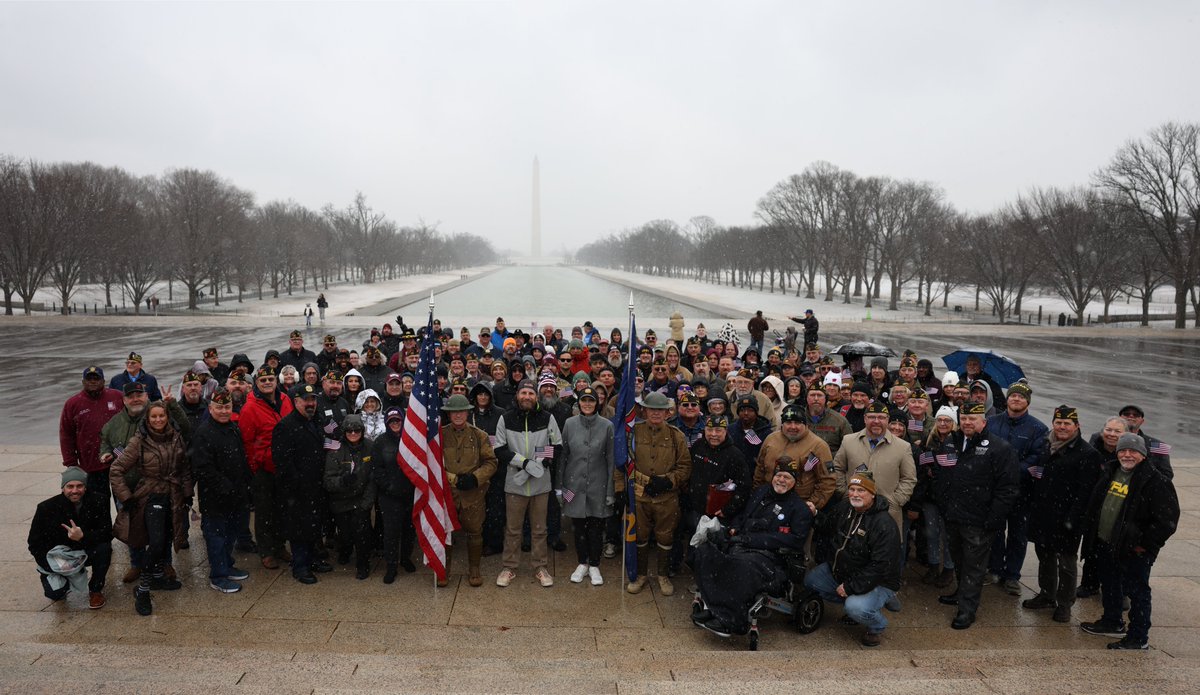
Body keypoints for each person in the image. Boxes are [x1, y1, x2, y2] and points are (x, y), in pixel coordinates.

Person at [692, 456, 812, 637]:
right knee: (706, 551)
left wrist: (753, 540)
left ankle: (731, 621)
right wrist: (733, 529)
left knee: (738, 566)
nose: (781, 480)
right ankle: (715, 607)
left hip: (770, 558)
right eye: (778, 476)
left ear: (795, 481)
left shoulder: (799, 509)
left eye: (787, 477)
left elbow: (794, 540)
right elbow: (743, 515)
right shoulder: (761, 492)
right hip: (741, 545)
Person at [1079, 434, 1180, 650]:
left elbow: (1167, 521)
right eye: (1123, 450)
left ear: (1143, 455)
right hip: (1107, 543)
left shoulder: (1155, 480)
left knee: (1137, 592)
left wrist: (1143, 544)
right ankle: (1112, 621)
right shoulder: (1110, 471)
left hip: (1135, 550)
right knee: (1110, 584)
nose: (1127, 455)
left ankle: (1138, 636)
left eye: (1133, 451)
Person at [933, 402, 1019, 630]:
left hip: (979, 521)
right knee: (959, 560)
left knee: (974, 566)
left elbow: (1007, 488)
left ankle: (967, 610)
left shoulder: (999, 448)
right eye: (964, 418)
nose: (968, 422)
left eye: (973, 418)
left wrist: (993, 519)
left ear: (984, 421)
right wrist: (944, 505)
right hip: (953, 515)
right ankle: (962, 594)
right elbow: (942, 475)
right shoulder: (951, 441)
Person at [110, 401, 191, 616]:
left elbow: (184, 468)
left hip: (172, 495)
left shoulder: (176, 436)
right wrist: (125, 496)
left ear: (167, 417)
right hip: (150, 494)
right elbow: (116, 469)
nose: (158, 420)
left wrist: (187, 493)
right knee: (155, 543)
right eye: (153, 417)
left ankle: (157, 578)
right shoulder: (139, 440)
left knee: (166, 538)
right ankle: (143, 589)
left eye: (161, 416)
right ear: (147, 418)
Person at [1023, 405, 1102, 623]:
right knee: (1044, 557)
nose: (1062, 427)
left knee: (1066, 563)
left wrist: (1073, 519)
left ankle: (1065, 603)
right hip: (1043, 514)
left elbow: (1086, 492)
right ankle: (1047, 594)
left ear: (1077, 426)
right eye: (1058, 423)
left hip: (1068, 518)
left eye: (1067, 424)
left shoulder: (1088, 453)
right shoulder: (1047, 446)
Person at [805, 473, 902, 647]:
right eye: (852, 489)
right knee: (811, 581)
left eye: (861, 490)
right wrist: (815, 513)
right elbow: (827, 526)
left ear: (872, 494)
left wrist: (851, 587)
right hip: (844, 571)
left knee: (856, 608)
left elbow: (880, 566)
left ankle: (876, 625)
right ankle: (859, 601)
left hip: (879, 580)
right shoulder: (844, 508)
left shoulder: (884, 524)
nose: (855, 494)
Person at [614, 392, 691, 596]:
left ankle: (662, 575)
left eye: (660, 410)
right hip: (639, 495)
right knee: (640, 535)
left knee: (665, 537)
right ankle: (640, 575)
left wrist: (668, 481)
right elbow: (620, 463)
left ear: (667, 413)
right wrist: (620, 489)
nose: (656, 413)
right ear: (644, 410)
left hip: (667, 497)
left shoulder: (676, 436)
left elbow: (685, 466)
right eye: (652, 409)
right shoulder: (633, 432)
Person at [493, 379, 563, 588]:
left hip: (541, 482)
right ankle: (509, 567)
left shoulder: (547, 418)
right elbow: (500, 449)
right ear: (517, 396)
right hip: (515, 482)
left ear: (536, 397)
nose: (527, 397)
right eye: (523, 393)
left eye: (531, 394)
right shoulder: (505, 419)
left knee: (540, 529)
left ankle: (540, 566)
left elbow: (557, 445)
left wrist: (538, 461)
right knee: (513, 529)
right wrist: (523, 463)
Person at [985, 381, 1049, 597]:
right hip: (995, 489)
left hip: (1023, 491)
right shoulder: (991, 422)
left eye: (1021, 397)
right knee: (994, 530)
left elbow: (1036, 458)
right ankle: (994, 568)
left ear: (1027, 401)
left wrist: (1011, 471)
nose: (1016, 399)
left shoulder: (1038, 428)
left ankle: (1012, 575)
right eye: (1013, 396)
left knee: (1018, 535)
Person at [188, 388, 252, 593]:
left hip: (236, 495)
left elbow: (241, 458)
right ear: (211, 408)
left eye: (227, 407)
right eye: (219, 407)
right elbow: (202, 468)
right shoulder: (203, 433)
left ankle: (227, 564)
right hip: (215, 497)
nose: (224, 411)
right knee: (216, 536)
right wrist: (225, 486)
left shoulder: (233, 428)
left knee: (231, 533)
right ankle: (218, 575)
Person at [28, 467, 112, 609]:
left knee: (104, 548)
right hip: (59, 556)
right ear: (63, 488)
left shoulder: (99, 500)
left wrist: (82, 536)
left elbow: (107, 533)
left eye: (79, 486)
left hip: (85, 549)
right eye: (70, 486)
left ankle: (95, 589)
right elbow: (34, 543)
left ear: (85, 487)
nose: (75, 490)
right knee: (56, 594)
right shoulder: (46, 508)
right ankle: (62, 582)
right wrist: (54, 565)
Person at [272, 383, 332, 584]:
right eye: (306, 400)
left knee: (314, 527)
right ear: (295, 401)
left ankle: (313, 560)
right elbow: (283, 462)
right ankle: (300, 567)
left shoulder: (316, 420)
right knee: (299, 530)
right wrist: (297, 485)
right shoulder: (285, 426)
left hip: (316, 486)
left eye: (313, 399)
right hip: (297, 490)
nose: (311, 403)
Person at [238, 366, 294, 570]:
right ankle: (266, 551)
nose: (268, 383)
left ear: (276, 381)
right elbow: (247, 442)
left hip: (284, 467)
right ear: (257, 384)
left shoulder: (286, 400)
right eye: (263, 381)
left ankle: (280, 546)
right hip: (263, 470)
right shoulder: (250, 408)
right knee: (264, 513)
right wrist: (256, 466)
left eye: (271, 379)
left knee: (282, 510)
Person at [440, 394, 499, 587]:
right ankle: (443, 569)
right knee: (445, 531)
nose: (458, 415)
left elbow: (491, 462)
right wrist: (451, 478)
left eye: (461, 411)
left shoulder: (479, 435)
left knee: (474, 531)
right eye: (454, 412)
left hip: (473, 494)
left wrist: (475, 478)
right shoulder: (440, 435)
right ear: (448, 414)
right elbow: (431, 462)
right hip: (447, 493)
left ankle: (474, 568)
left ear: (467, 412)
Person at [832, 400, 917, 533]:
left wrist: (895, 501)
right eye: (872, 417)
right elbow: (837, 468)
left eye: (881, 417)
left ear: (887, 420)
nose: (876, 421)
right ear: (865, 419)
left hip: (888, 513)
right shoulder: (848, 441)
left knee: (885, 551)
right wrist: (844, 493)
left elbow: (909, 478)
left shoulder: (903, 447)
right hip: (853, 508)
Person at [560, 388, 615, 586]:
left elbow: (610, 460)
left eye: (591, 401)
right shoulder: (569, 424)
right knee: (578, 527)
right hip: (574, 484)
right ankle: (582, 562)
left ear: (597, 403)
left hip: (598, 486)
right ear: (579, 403)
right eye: (584, 400)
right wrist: (562, 487)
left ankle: (594, 564)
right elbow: (563, 456)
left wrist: (610, 490)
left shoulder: (607, 426)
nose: (588, 404)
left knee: (596, 526)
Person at [752, 404, 835, 515]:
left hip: (798, 505)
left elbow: (827, 481)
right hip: (768, 502)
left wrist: (811, 504)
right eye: (788, 422)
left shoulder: (819, 446)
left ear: (805, 425)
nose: (793, 427)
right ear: (782, 424)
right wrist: (757, 495)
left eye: (797, 423)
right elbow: (760, 469)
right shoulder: (771, 439)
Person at [60, 366, 124, 506]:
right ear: (83, 382)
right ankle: (104, 529)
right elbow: (66, 435)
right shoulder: (73, 403)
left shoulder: (118, 397)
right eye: (89, 379)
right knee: (98, 506)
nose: (93, 382)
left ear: (103, 381)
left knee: (124, 504)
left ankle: (123, 529)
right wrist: (71, 463)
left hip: (119, 462)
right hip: (91, 466)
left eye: (97, 378)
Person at [322, 413, 376, 581]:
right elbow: (328, 481)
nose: (353, 434)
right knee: (345, 534)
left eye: (357, 430)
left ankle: (363, 564)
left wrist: (366, 503)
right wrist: (343, 481)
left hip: (361, 500)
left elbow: (373, 479)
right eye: (349, 431)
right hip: (340, 501)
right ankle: (345, 550)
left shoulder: (370, 447)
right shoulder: (335, 448)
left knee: (362, 534)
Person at [373, 408, 417, 583]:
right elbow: (377, 470)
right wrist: (390, 487)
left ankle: (405, 558)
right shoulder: (380, 443)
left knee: (409, 530)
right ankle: (391, 566)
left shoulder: (411, 440)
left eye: (398, 420)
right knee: (391, 533)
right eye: (392, 421)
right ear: (386, 423)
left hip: (410, 494)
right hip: (389, 496)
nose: (395, 424)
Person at [1117, 404, 1173, 479]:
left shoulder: (1159, 446)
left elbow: (1167, 475)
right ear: (1119, 419)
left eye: (1136, 415)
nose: (1131, 416)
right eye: (1126, 414)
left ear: (1142, 421)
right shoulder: (1107, 440)